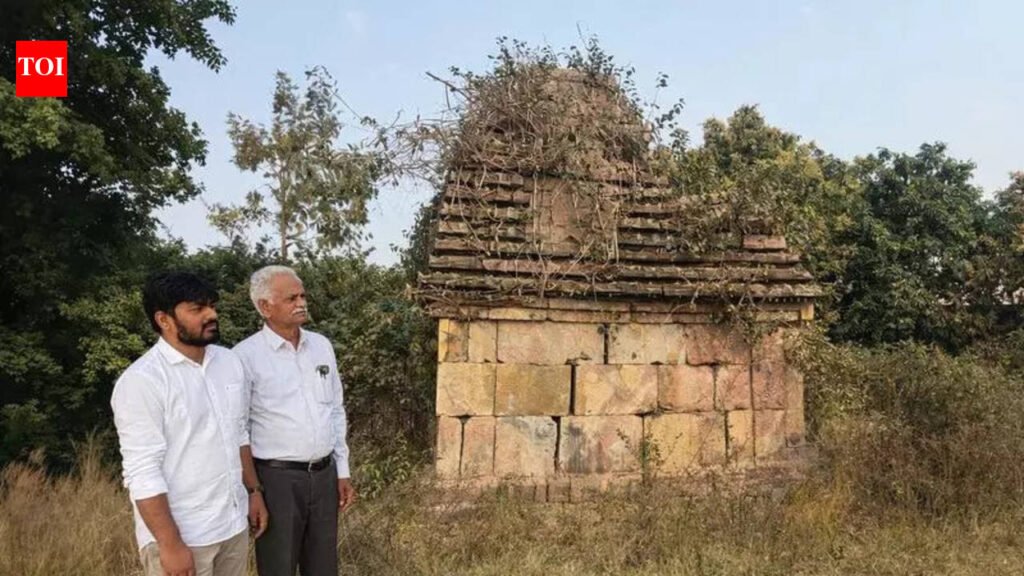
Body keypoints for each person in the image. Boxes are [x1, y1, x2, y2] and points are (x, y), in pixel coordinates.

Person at [111, 271, 269, 576]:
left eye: (211, 305)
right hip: (183, 537)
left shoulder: (228, 362)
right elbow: (142, 472)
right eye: (197, 309)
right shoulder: (142, 382)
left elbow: (237, 433)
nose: (211, 315)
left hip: (232, 526)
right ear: (164, 320)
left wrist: (254, 491)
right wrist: (170, 545)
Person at [234, 265, 356, 576]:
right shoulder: (244, 357)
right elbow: (238, 430)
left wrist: (342, 471)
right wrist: (253, 491)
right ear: (265, 307)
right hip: (277, 480)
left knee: (323, 567)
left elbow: (335, 409)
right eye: (291, 298)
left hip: (324, 475)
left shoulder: (321, 346)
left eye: (302, 295)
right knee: (278, 566)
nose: (301, 303)